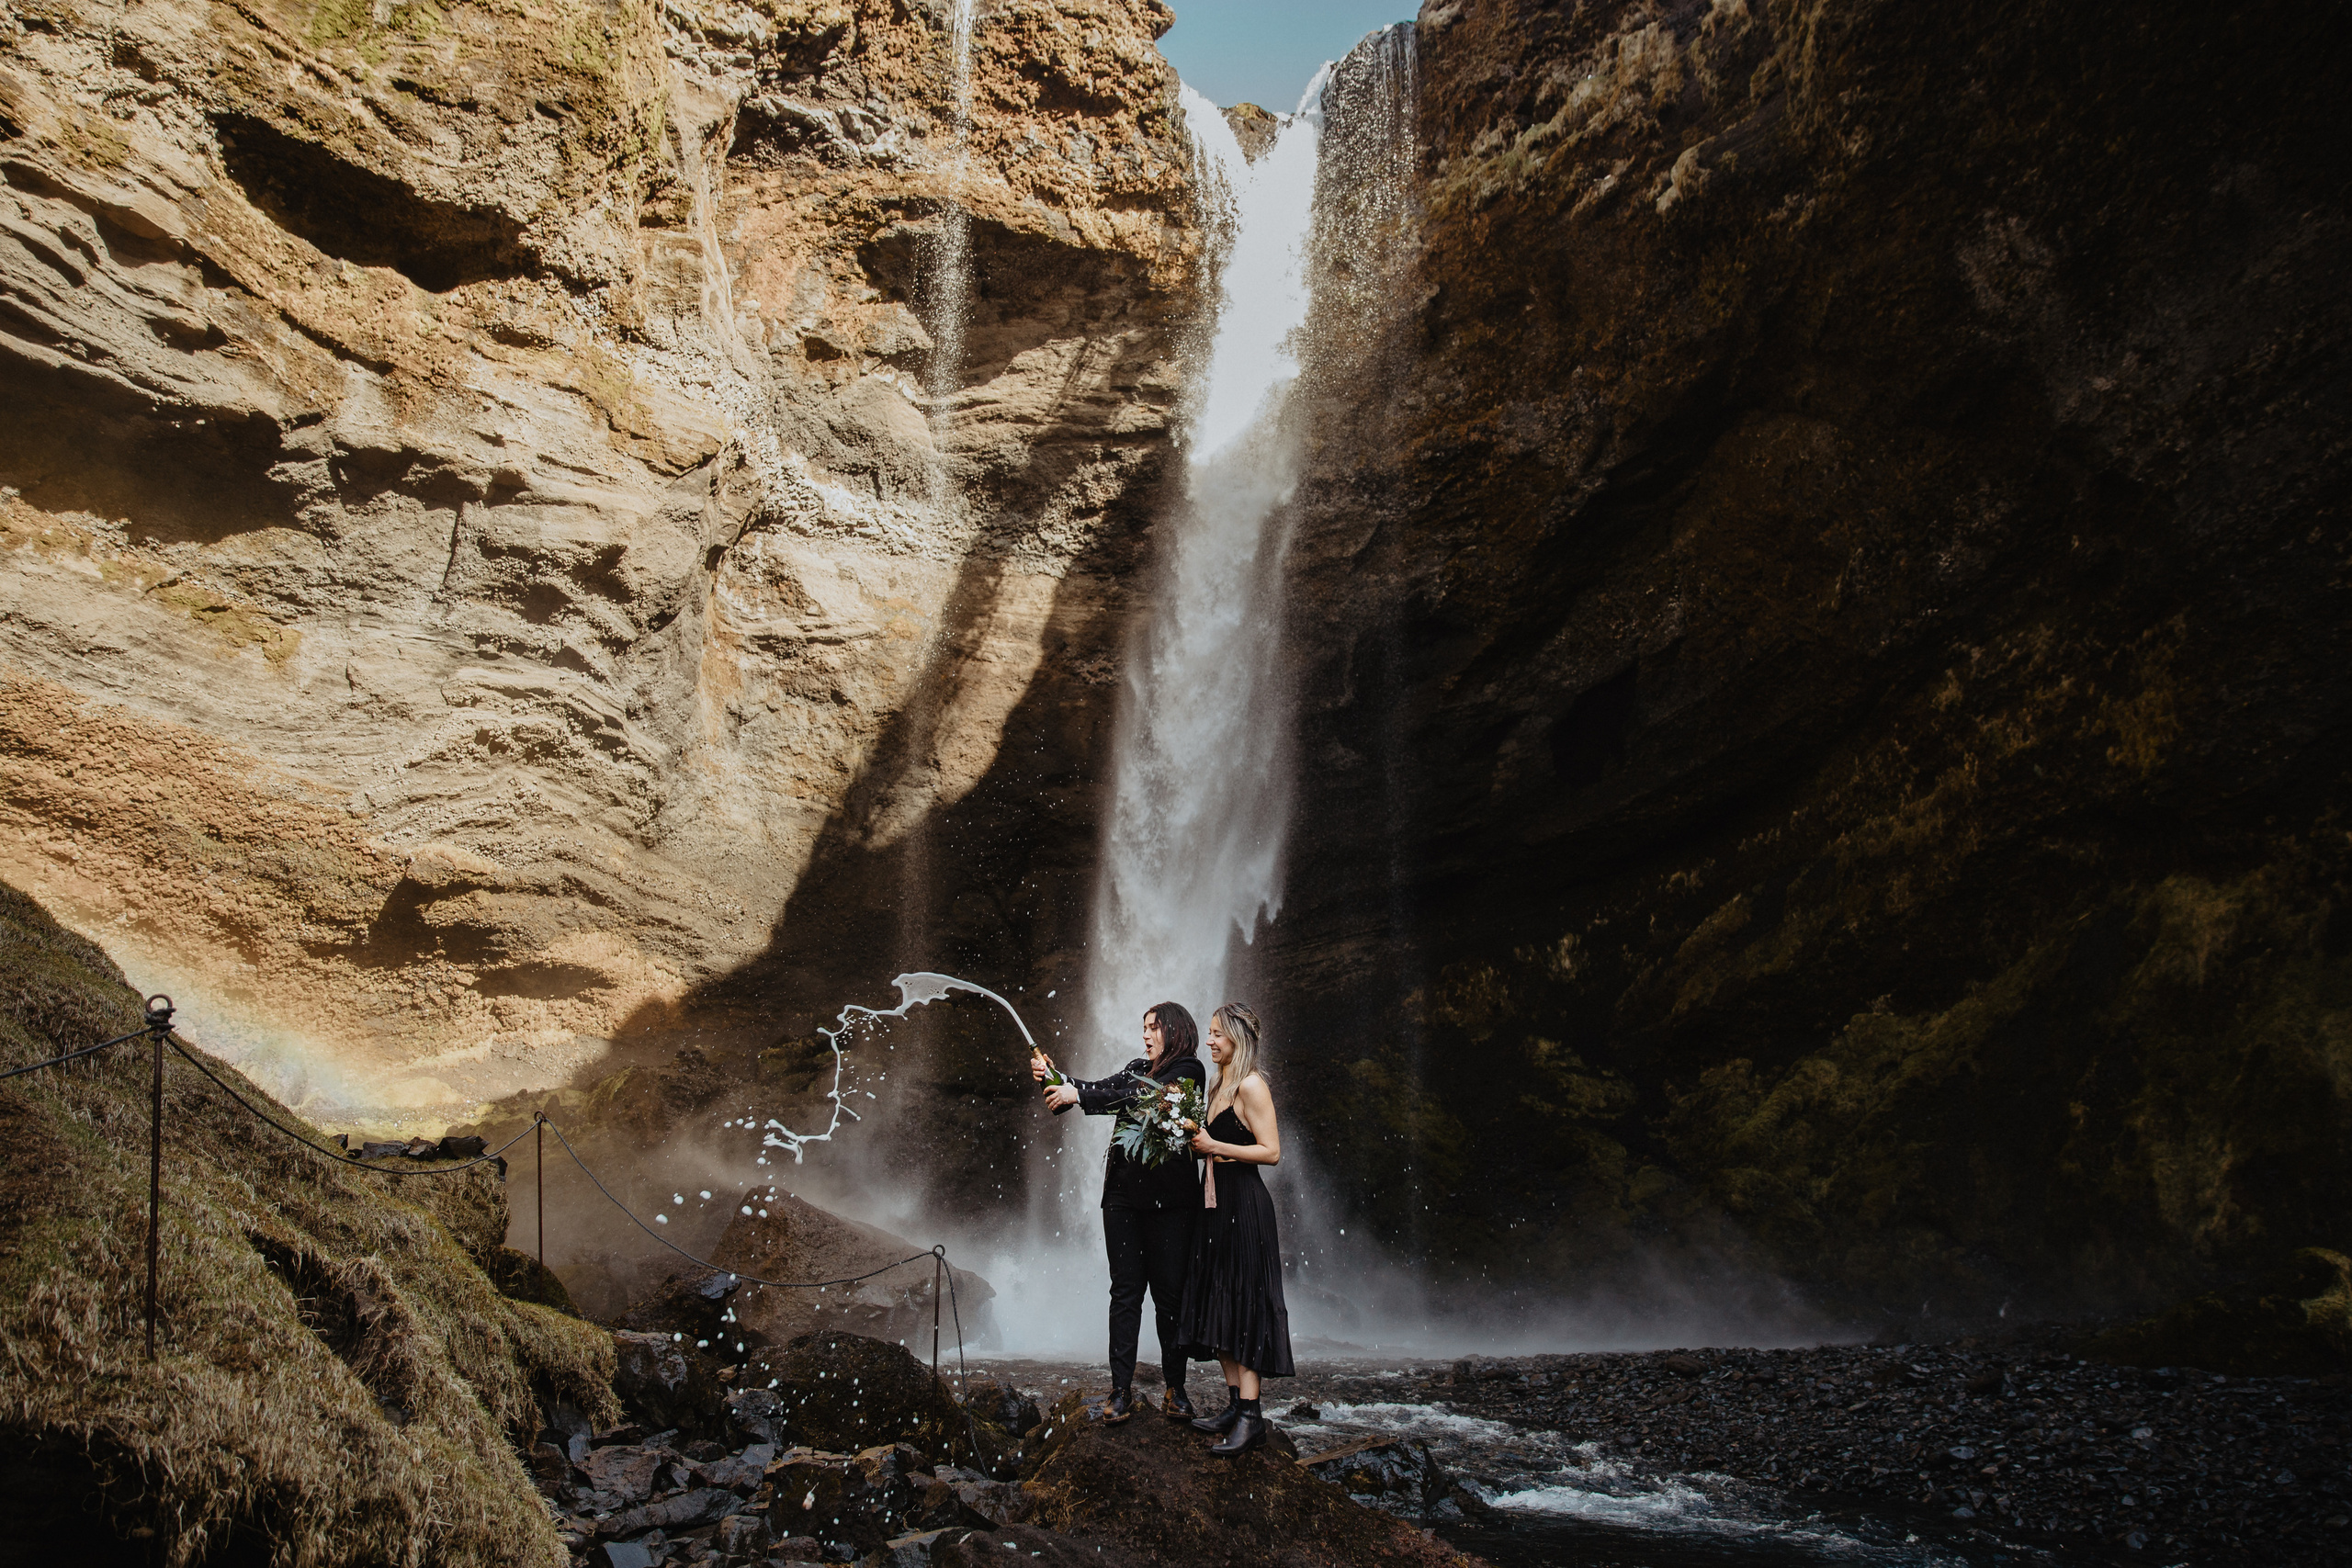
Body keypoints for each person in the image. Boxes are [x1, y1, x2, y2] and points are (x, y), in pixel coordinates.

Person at [1031, 1002, 1206, 1423]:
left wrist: (1079, 1095)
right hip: (1123, 1199)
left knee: (1169, 1297)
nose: (1145, 1034)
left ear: (1176, 1030)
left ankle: (1175, 1388)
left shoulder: (1189, 1070)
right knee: (1125, 1294)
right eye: (1143, 1027)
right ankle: (1120, 1389)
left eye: (1153, 1027)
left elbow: (1143, 1097)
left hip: (1171, 1205)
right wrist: (1057, 1078)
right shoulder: (1136, 1068)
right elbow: (1100, 1088)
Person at [1177, 1002, 1295, 1455]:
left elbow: (1272, 1152)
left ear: (1238, 1039)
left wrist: (1214, 1144)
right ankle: (1233, 1405)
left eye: (1217, 1034)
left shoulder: (1251, 1085)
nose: (1209, 1041)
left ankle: (1251, 1416)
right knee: (1219, 1296)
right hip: (1214, 1204)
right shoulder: (1218, 1083)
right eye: (1208, 1033)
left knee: (1245, 1301)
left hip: (1245, 1205)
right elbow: (1214, 1146)